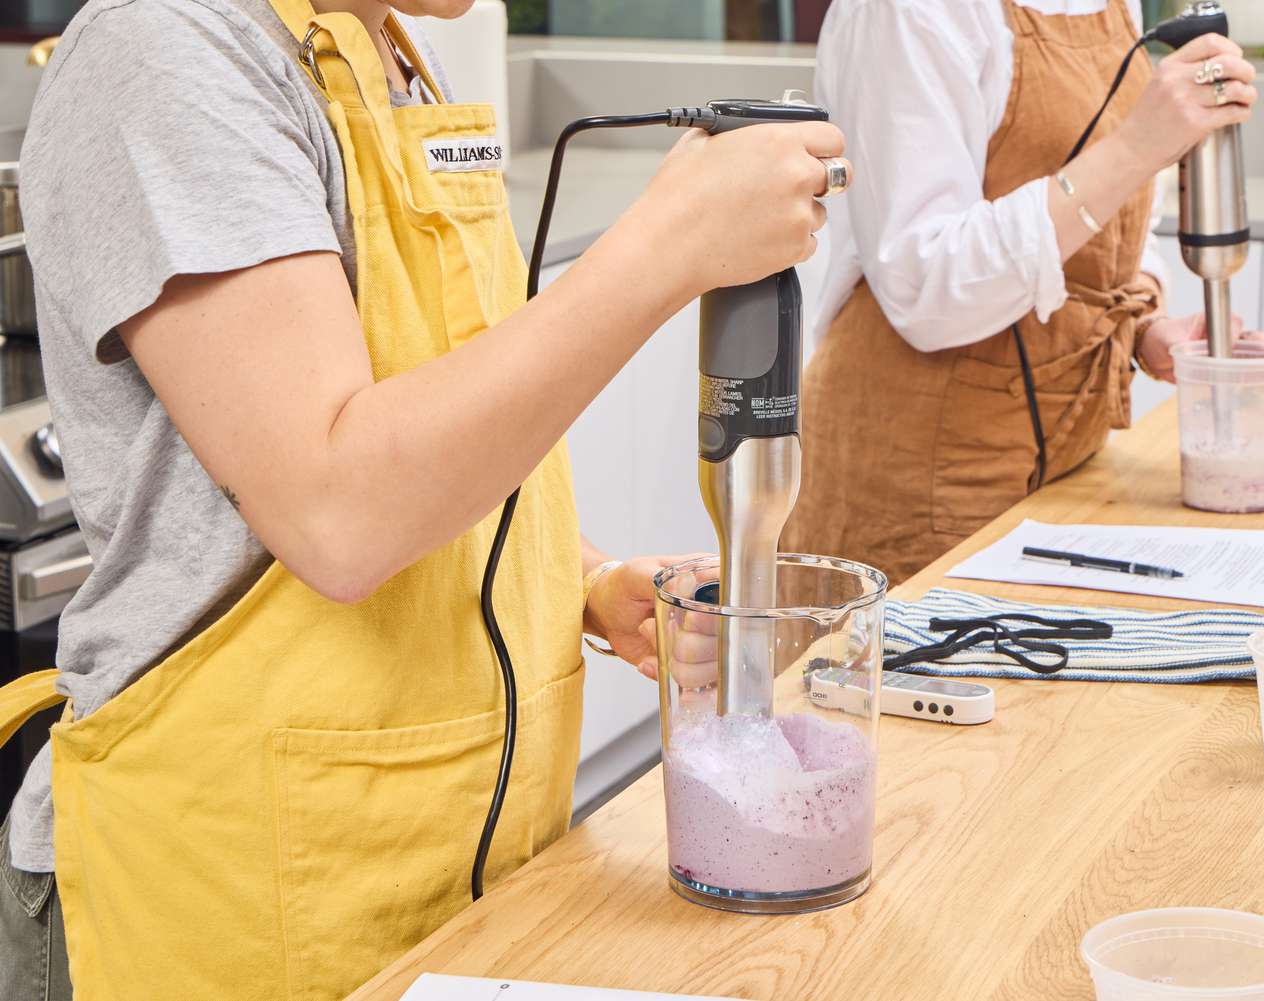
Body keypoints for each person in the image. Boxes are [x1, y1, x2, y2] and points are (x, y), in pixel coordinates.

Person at [0, 0, 848, 996]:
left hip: (456, 873)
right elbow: (335, 511)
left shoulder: (390, 51)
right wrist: (669, 242)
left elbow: (426, 424)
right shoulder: (165, 51)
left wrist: (580, 578)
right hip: (228, 895)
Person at [783, 0, 1261, 583]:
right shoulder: (906, 12)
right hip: (918, 476)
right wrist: (1138, 145)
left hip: (1072, 463)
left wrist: (1142, 325)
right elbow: (925, 288)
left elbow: (1115, 219)